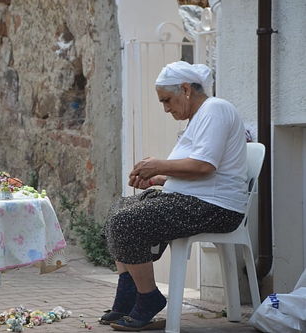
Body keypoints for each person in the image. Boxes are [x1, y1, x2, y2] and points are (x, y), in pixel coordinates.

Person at [100, 61, 248, 331]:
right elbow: (195, 169)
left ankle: (148, 298)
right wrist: (158, 178)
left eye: (167, 100)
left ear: (185, 89)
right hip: (191, 200)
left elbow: (204, 166)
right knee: (117, 210)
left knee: (126, 222)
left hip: (216, 207)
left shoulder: (215, 110)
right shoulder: (200, 117)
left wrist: (158, 165)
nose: (166, 108)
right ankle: (128, 295)